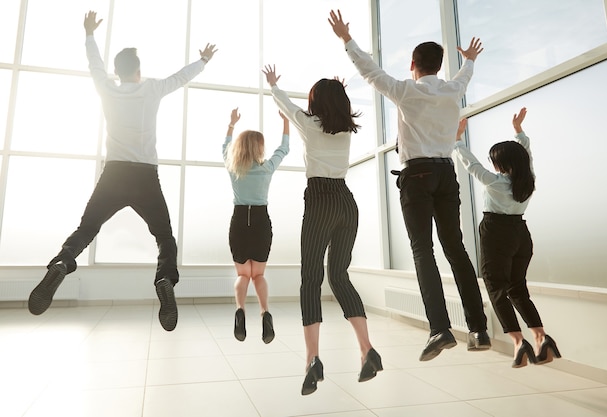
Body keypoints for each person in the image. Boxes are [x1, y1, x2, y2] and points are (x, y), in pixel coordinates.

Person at [27, 11, 217, 332]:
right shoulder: (152, 89)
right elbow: (181, 77)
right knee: (164, 237)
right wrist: (203, 61)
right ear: (139, 72)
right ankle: (163, 279)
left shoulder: (107, 88)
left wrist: (89, 34)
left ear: (117, 72)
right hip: (144, 176)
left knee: (86, 229)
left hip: (113, 174)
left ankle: (63, 262)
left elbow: (94, 65)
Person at [329, 9, 490, 362]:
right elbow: (464, 76)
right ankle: (478, 329)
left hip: (416, 175)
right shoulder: (452, 90)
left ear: (414, 65)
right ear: (438, 65)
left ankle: (440, 328)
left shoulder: (406, 91)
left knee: (423, 251)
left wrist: (347, 39)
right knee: (456, 250)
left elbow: (370, 71)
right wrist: (471, 61)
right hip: (447, 173)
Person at [262, 65, 382, 395]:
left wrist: (273, 84)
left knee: (311, 278)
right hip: (347, 202)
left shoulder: (310, 125)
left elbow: (287, 106)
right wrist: (337, 92)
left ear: (316, 103)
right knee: (339, 277)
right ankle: (367, 349)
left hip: (320, 200)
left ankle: (312, 359)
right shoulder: (345, 129)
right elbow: (330, 107)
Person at [454, 108, 561, 367]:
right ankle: (540, 338)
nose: (492, 165)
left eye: (495, 161)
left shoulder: (495, 182)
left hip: (496, 232)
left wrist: (457, 138)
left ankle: (517, 342)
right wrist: (519, 131)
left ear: (501, 165)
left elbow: (471, 164)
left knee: (495, 285)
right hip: (521, 235)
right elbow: (527, 155)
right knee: (517, 288)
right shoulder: (528, 179)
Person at [222, 108, 290, 344]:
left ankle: (240, 311)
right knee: (258, 274)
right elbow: (284, 149)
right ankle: (265, 313)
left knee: (243, 274)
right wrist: (286, 123)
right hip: (261, 222)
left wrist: (231, 125)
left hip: (239, 221)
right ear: (259, 148)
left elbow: (225, 149)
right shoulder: (267, 168)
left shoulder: (233, 168)